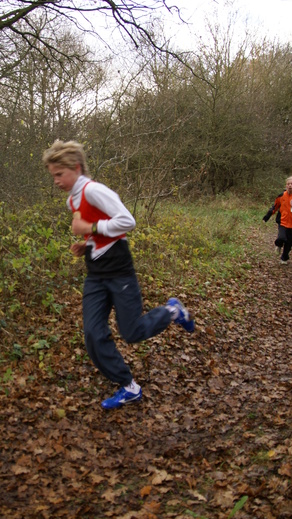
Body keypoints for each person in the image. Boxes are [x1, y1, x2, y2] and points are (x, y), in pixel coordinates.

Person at [42, 140, 195, 410]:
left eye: (59, 174)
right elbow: (95, 230)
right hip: (95, 275)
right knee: (92, 333)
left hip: (120, 272)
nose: (55, 180)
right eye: (52, 175)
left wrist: (89, 227)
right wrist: (86, 243)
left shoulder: (93, 190)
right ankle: (128, 386)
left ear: (76, 168)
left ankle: (172, 311)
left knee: (132, 331)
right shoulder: (72, 199)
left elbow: (127, 221)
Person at [263, 176, 292, 265]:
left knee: (289, 243)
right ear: (286, 185)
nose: (290, 186)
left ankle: (284, 258)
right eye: (288, 184)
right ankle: (279, 245)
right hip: (282, 222)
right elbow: (274, 207)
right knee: (281, 237)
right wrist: (267, 217)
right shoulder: (281, 196)